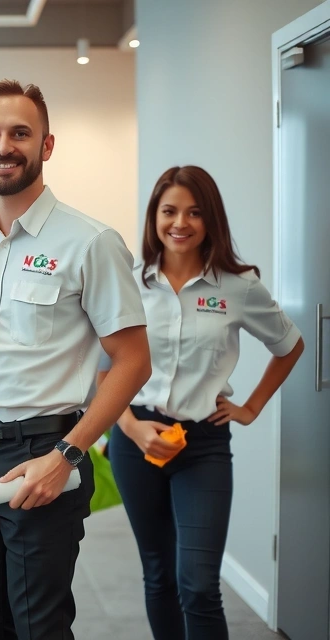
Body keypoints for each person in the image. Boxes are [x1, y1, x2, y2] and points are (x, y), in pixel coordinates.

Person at [0, 79, 153, 640]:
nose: (4, 146)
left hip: (44, 452)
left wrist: (66, 455)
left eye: (20, 133)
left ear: (47, 146)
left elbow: (132, 360)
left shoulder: (91, 242)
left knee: (39, 624)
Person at [99, 166, 303, 640]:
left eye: (194, 212)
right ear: (154, 217)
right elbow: (101, 366)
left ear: (211, 219)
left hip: (204, 445)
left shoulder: (238, 286)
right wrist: (128, 427)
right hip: (136, 440)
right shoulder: (129, 283)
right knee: (159, 574)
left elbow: (289, 344)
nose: (180, 223)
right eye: (169, 211)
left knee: (198, 583)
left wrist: (250, 407)